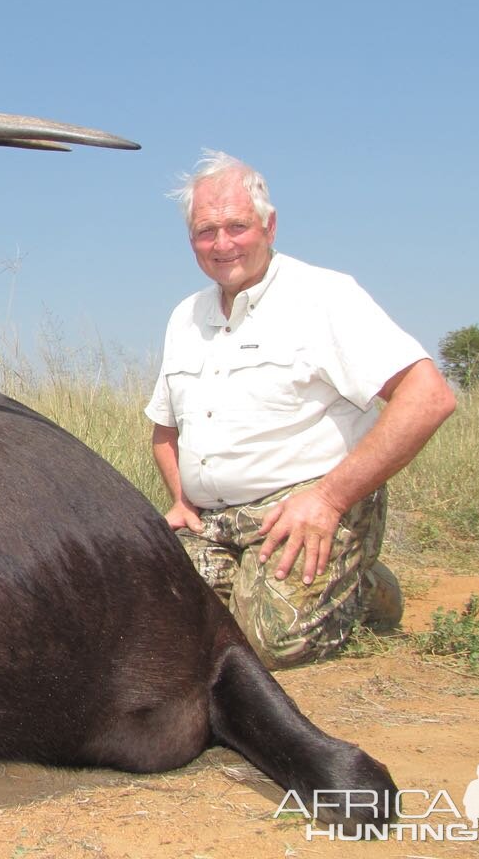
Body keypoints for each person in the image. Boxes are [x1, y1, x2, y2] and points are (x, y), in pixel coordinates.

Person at [146, 151, 456, 669]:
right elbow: (164, 428)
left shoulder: (324, 295)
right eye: (206, 232)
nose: (222, 244)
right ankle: (263, 579)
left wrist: (329, 500)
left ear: (269, 225)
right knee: (153, 623)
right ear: (191, 240)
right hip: (215, 523)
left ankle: (364, 585)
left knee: (267, 646)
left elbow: (429, 397)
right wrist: (180, 498)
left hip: (303, 507)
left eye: (237, 226)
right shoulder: (185, 316)